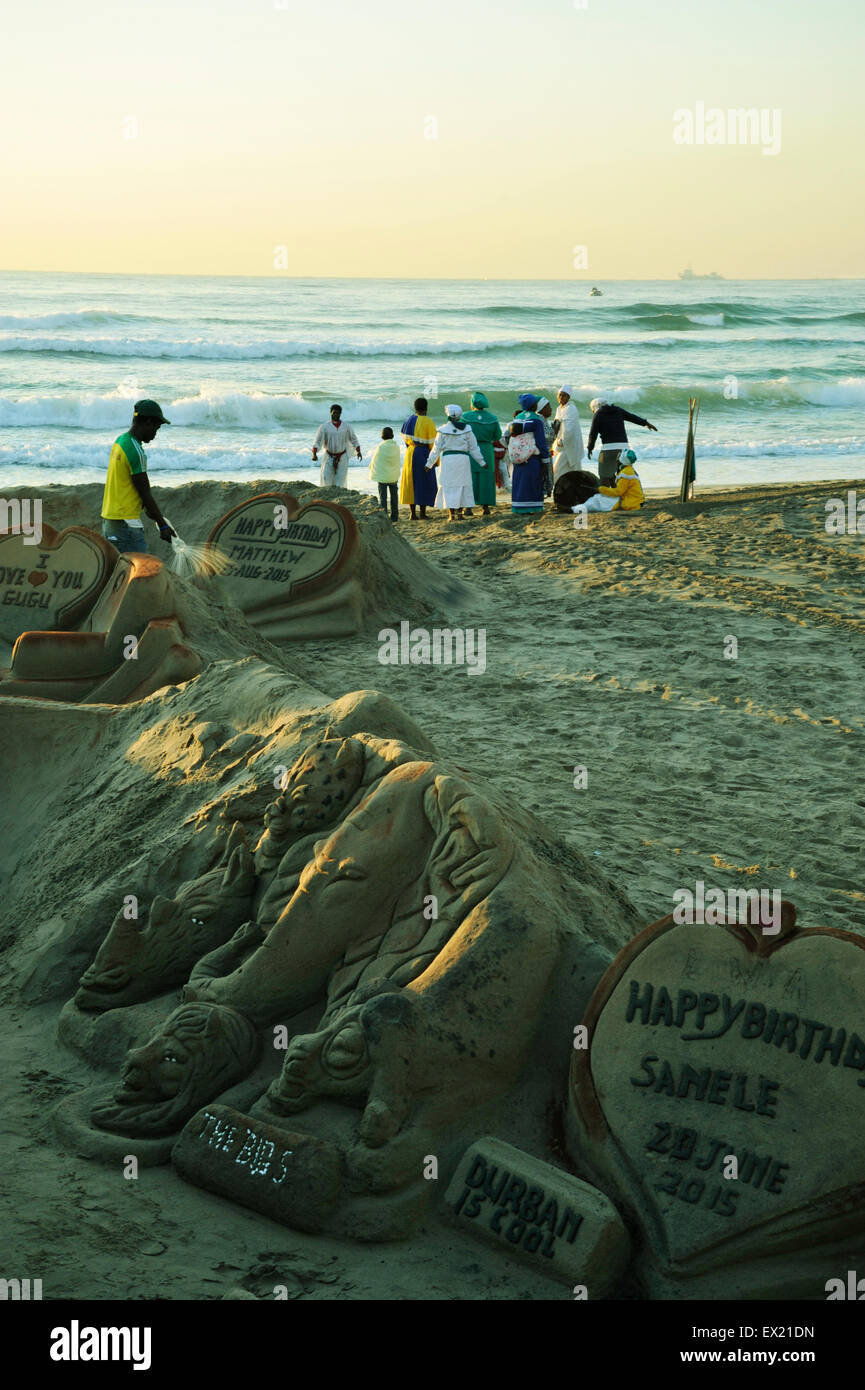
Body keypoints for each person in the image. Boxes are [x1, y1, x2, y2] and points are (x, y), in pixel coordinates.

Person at [101, 399, 176, 554]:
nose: (156, 432)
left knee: (119, 573)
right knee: (141, 572)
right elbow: (145, 493)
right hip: (126, 524)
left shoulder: (121, 441)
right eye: (157, 426)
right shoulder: (136, 451)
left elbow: (126, 483)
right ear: (148, 422)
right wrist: (162, 525)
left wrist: (147, 509)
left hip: (110, 519)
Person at [426, 404, 486, 520]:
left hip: (448, 461)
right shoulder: (467, 429)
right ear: (460, 416)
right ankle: (459, 514)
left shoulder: (442, 430)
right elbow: (474, 448)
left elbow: (436, 449)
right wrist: (482, 462)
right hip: (462, 460)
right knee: (462, 486)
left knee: (449, 487)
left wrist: (429, 464)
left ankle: (451, 515)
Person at [586, 397, 658, 485]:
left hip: (608, 450)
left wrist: (590, 448)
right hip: (624, 449)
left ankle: (607, 495)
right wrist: (646, 423)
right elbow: (632, 417)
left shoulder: (598, 414)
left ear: (595, 408)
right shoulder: (618, 410)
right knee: (624, 474)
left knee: (604, 475)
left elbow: (593, 434)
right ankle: (620, 493)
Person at [461, 391, 502, 516]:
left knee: (470, 477)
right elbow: (497, 436)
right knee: (487, 478)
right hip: (486, 449)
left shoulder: (465, 417)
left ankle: (468, 508)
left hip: (471, 450)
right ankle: (485, 507)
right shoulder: (493, 418)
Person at [510, 393, 550, 515]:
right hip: (532, 457)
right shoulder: (536, 420)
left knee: (520, 481)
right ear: (534, 405)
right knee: (533, 482)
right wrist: (545, 458)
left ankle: (518, 506)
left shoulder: (517, 418)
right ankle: (532, 508)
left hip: (519, 456)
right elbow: (540, 441)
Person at [398, 396, 438, 521]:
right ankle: (422, 513)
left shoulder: (408, 420)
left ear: (415, 408)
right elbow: (433, 443)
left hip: (410, 452)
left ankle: (412, 514)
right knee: (424, 481)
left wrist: (410, 447)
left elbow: (404, 437)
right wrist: (435, 460)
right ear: (426, 408)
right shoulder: (428, 422)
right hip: (423, 453)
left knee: (411, 482)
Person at [573, 449, 645, 514]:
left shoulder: (625, 473)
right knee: (600, 497)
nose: (617, 460)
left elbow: (618, 492)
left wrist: (601, 489)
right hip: (634, 501)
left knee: (598, 499)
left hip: (630, 503)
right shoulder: (629, 470)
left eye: (619, 458)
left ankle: (577, 509)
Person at [312, 404, 362, 487]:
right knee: (326, 478)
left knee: (340, 480)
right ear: (331, 413)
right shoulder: (324, 426)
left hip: (342, 456)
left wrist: (358, 451)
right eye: (334, 413)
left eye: (338, 413)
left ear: (340, 414)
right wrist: (314, 453)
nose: (336, 415)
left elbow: (354, 439)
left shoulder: (346, 426)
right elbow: (318, 440)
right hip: (329, 455)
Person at [552, 386, 586, 482]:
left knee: (558, 470)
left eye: (564, 395)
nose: (561, 397)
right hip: (562, 446)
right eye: (560, 395)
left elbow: (569, 429)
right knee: (569, 472)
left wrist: (561, 441)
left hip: (568, 446)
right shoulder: (560, 408)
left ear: (569, 397)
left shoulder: (571, 409)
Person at [369, 427, 401, 522]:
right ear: (392, 436)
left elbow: (375, 461)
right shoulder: (396, 447)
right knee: (394, 497)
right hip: (393, 477)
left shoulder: (380, 447)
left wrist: (371, 467)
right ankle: (394, 517)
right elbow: (396, 461)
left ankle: (385, 517)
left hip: (382, 477)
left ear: (382, 436)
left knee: (383, 498)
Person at [535, 397, 555, 497]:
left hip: (543, 453)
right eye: (548, 407)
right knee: (544, 476)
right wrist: (555, 430)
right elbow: (547, 437)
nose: (551, 409)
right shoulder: (540, 420)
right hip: (543, 455)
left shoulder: (542, 419)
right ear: (541, 408)